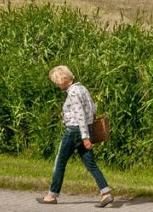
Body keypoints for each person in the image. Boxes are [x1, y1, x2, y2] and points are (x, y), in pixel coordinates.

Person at [39, 65, 113, 207]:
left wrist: (85, 137)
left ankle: (51, 195)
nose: (56, 84)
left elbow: (80, 116)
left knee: (60, 162)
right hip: (86, 129)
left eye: (56, 81)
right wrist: (88, 132)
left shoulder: (72, 93)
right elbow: (92, 108)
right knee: (90, 164)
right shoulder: (82, 88)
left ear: (62, 80)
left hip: (74, 132)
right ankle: (106, 193)